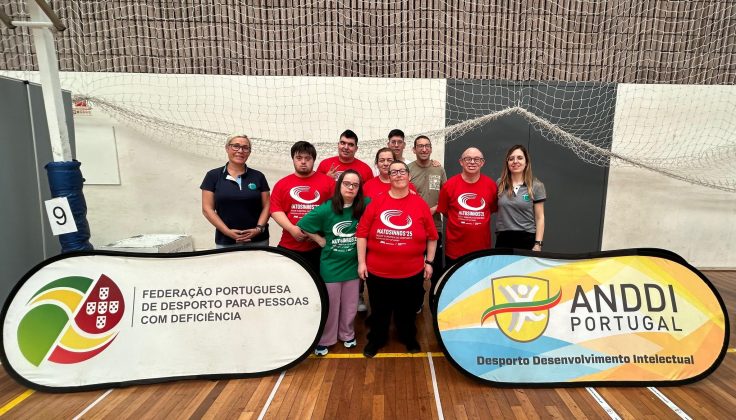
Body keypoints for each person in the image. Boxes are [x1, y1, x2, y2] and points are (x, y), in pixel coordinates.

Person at [357, 161, 438, 357]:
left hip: (411, 272)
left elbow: (432, 236)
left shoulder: (420, 204)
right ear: (389, 177)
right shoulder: (377, 202)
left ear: (409, 176)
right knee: (379, 310)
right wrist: (361, 262)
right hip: (378, 271)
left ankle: (408, 337)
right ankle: (376, 339)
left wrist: (429, 262)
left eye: (402, 171)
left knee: (407, 310)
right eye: (394, 172)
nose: (398, 175)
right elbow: (362, 234)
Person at [297, 170, 369, 356]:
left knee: (350, 305)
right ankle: (326, 339)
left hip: (353, 265)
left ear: (359, 189)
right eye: (347, 183)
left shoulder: (365, 205)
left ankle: (347, 334)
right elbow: (303, 224)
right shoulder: (327, 208)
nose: (351, 188)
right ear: (339, 185)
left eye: (355, 185)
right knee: (331, 305)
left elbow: (385, 204)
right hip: (331, 266)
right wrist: (319, 240)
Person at [270, 141, 335, 274]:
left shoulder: (329, 183)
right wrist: (292, 229)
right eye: (299, 158)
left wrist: (318, 233)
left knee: (318, 284)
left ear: (314, 160)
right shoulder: (282, 184)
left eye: (307, 158)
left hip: (319, 247)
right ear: (293, 159)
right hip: (289, 245)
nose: (303, 162)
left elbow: (335, 211)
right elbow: (276, 210)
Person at [200, 134, 270, 248]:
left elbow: (267, 206)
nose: (240, 151)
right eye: (236, 146)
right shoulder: (213, 176)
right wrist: (227, 232)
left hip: (258, 240)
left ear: (249, 152)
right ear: (227, 148)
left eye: (245, 148)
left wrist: (259, 229)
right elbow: (207, 209)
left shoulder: (258, 176)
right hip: (226, 241)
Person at [437, 147, 498, 267]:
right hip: (455, 250)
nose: (472, 162)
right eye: (468, 159)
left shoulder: (491, 185)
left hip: (481, 250)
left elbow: (490, 210)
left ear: (482, 162)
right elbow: (445, 211)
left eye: (477, 159)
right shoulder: (449, 185)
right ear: (461, 162)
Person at [408, 135, 447, 312]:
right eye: (420, 146)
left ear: (431, 149)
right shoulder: (408, 170)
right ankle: (417, 300)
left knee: (436, 268)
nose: (424, 149)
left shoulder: (439, 169)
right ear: (414, 149)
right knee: (415, 270)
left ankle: (435, 301)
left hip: (435, 227)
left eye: (427, 146)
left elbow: (446, 196)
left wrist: (435, 208)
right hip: (413, 229)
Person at [495, 144, 546, 251]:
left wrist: (538, 244)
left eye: (520, 158)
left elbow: (540, 217)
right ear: (507, 163)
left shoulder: (536, 185)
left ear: (526, 162)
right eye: (511, 159)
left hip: (526, 239)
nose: (515, 161)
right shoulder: (500, 183)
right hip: (503, 239)